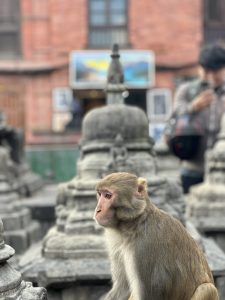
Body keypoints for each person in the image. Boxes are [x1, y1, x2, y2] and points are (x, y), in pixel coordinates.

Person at [173, 42, 225, 194]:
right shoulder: (187, 90)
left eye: (216, 71)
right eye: (206, 70)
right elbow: (174, 116)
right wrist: (193, 107)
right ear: (199, 68)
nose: (211, 76)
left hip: (221, 168)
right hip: (192, 165)